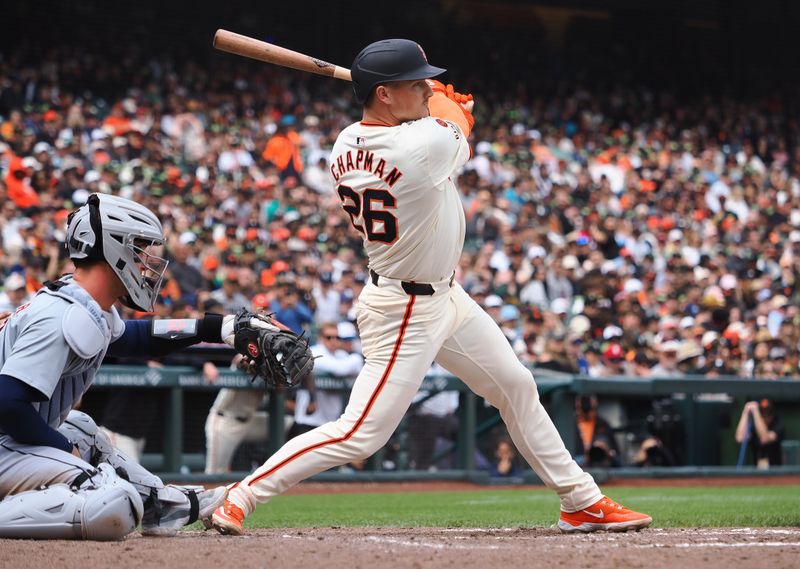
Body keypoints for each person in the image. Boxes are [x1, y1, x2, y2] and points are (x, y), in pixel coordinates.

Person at [209, 38, 651, 536]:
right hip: (404, 310)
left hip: (445, 297)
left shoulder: (347, 142)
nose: (423, 87)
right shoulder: (420, 145)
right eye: (413, 82)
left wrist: (431, 99)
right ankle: (240, 495)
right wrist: (444, 102)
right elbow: (453, 126)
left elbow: (433, 124)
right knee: (360, 434)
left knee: (516, 386)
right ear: (383, 95)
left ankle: (580, 500)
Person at [0, 193, 247, 540]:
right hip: (5, 443)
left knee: (85, 431)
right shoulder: (60, 316)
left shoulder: (82, 303)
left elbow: (135, 338)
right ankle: (133, 498)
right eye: (139, 249)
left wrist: (213, 328)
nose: (146, 262)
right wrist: (66, 453)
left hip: (10, 444)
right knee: (110, 500)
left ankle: (159, 504)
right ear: (113, 249)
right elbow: (7, 403)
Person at [735, 399, 785, 468]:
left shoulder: (777, 424)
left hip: (775, 470)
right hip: (756, 471)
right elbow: (740, 438)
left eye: (768, 413)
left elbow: (764, 438)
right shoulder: (754, 426)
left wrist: (756, 412)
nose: (765, 416)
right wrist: (745, 412)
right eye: (762, 413)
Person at [574, 395, 620, 468]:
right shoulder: (570, 425)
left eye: (591, 409)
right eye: (584, 409)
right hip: (577, 466)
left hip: (601, 466)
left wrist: (607, 451)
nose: (587, 412)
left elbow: (618, 458)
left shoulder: (603, 424)